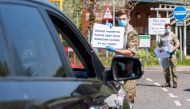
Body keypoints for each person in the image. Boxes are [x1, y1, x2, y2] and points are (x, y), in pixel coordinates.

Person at [106, 8, 139, 109]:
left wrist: (116, 50)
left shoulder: (132, 33)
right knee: (116, 98)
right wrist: (108, 30)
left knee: (127, 97)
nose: (121, 21)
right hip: (117, 68)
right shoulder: (117, 30)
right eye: (119, 19)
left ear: (128, 19)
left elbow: (131, 52)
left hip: (128, 69)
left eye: (124, 18)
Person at [158, 23, 180, 88]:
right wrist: (159, 50)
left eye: (168, 28)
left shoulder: (173, 35)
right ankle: (167, 82)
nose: (167, 29)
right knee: (165, 68)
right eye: (166, 28)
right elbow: (160, 45)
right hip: (164, 54)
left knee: (173, 68)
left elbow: (177, 44)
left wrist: (172, 50)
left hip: (171, 54)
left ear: (171, 28)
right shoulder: (162, 36)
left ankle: (175, 82)